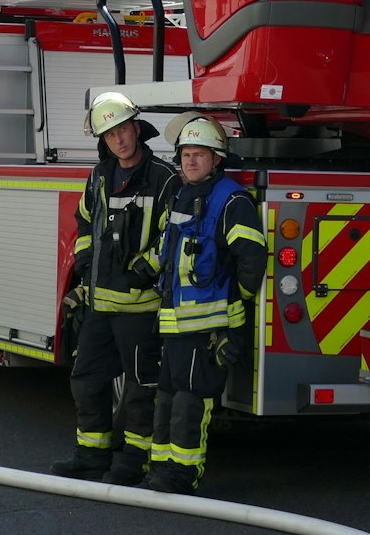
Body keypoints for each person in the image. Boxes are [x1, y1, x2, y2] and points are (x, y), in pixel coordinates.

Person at [50, 92, 177, 485]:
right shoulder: (100, 176)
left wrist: (147, 266)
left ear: (137, 128)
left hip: (140, 308)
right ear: (102, 141)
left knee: (140, 390)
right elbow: (86, 222)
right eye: (110, 134)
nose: (119, 139)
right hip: (100, 305)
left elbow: (174, 233)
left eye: (123, 129)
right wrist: (86, 262)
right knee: (87, 380)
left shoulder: (164, 178)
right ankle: (91, 456)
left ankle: (133, 462)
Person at [143, 112, 265, 495]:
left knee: (191, 402)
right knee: (166, 397)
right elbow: (168, 251)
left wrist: (235, 310)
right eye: (186, 154)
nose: (191, 161)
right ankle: (160, 466)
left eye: (200, 154)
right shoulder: (182, 195)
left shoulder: (232, 201)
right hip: (175, 323)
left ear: (217, 159)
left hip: (209, 327)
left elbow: (252, 259)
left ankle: (183, 473)